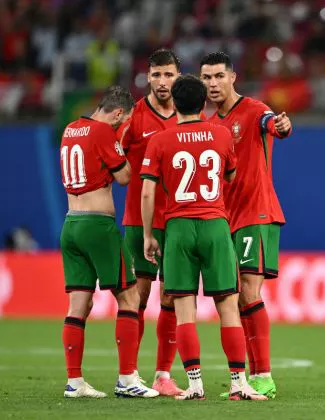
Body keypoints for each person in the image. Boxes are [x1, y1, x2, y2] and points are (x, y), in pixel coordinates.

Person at [140, 74, 266, 401]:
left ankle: (195, 384)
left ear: (175, 103)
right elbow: (231, 175)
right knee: (228, 307)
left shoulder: (161, 141)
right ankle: (239, 381)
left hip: (178, 227)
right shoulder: (222, 135)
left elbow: (147, 194)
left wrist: (148, 235)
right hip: (215, 224)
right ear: (203, 103)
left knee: (184, 309)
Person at [200, 52, 292, 399]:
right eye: (206, 78)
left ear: (233, 77)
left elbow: (275, 124)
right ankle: (253, 378)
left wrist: (282, 125)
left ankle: (263, 375)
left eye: (219, 76)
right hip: (229, 219)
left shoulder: (254, 111)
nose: (212, 84)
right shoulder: (211, 126)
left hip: (257, 213)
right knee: (237, 300)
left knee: (249, 293)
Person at [59, 86, 158, 399]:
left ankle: (74, 382)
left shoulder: (70, 129)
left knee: (79, 304)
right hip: (98, 226)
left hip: (71, 223)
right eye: (123, 120)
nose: (121, 125)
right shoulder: (103, 132)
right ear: (118, 113)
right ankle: (127, 379)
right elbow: (125, 176)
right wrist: (122, 146)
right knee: (129, 298)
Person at [118, 48, 189, 395]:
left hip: (176, 220)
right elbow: (112, 157)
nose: (162, 82)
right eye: (157, 75)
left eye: (169, 75)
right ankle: (128, 376)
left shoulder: (189, 116)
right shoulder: (132, 117)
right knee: (137, 297)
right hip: (138, 221)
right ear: (147, 77)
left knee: (172, 297)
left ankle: (163, 375)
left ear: (179, 76)